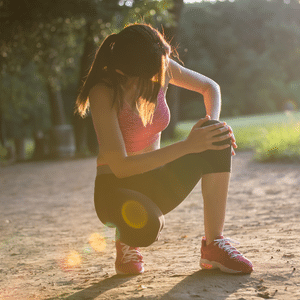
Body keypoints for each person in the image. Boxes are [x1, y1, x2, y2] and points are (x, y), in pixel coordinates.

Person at [75, 23, 253, 275]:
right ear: (129, 70)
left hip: (153, 181)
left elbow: (210, 87)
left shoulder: (160, 65)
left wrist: (209, 122)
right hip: (115, 189)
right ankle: (125, 238)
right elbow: (122, 167)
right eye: (154, 72)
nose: (162, 74)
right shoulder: (103, 91)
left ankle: (214, 244)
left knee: (217, 134)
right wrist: (189, 145)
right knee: (146, 228)